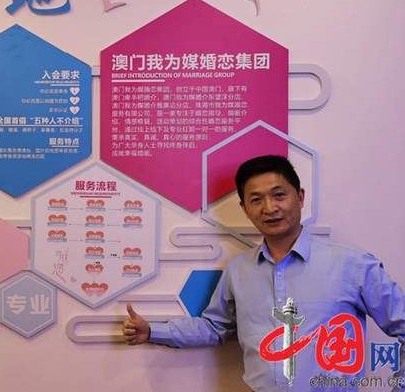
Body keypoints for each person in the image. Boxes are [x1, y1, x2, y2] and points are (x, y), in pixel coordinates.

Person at [122, 155, 405, 391]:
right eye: (256, 200)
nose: (269, 208)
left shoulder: (352, 265)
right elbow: (215, 327)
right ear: (245, 209)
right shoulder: (238, 271)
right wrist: (153, 331)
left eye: (279, 195)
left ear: (300, 197)